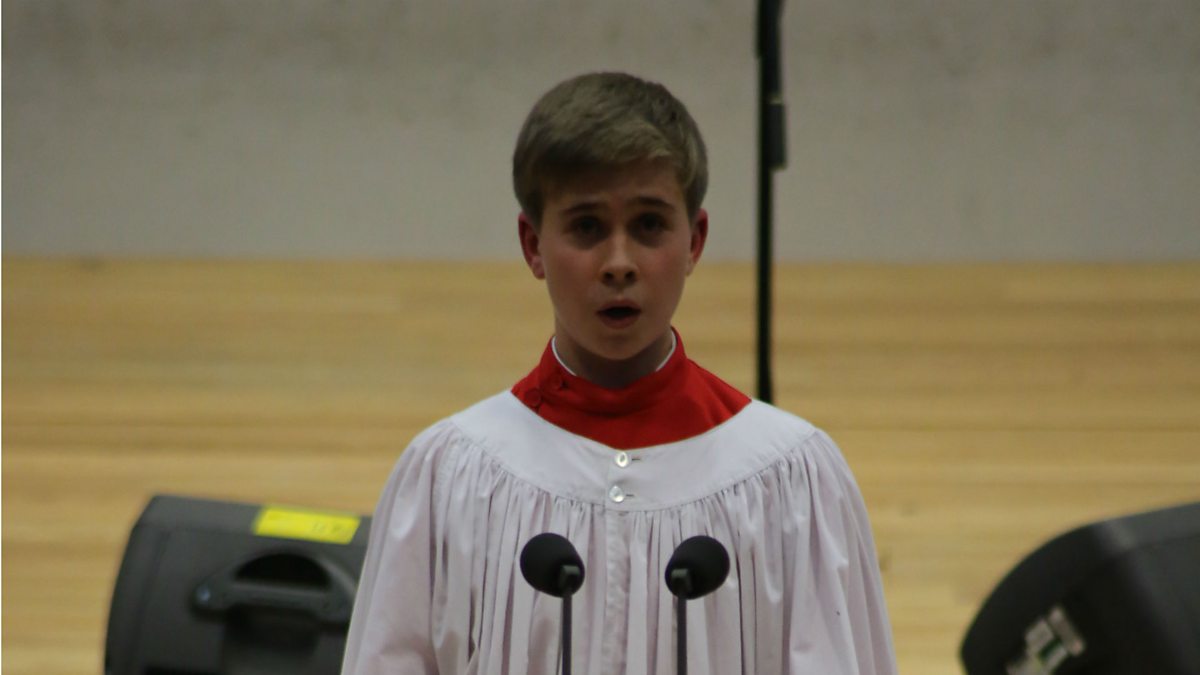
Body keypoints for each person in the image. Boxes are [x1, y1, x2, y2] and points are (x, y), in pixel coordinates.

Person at [341, 71, 897, 675]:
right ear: (532, 244)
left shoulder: (793, 481)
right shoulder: (448, 477)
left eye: (650, 225)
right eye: (586, 227)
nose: (619, 263)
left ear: (696, 241)